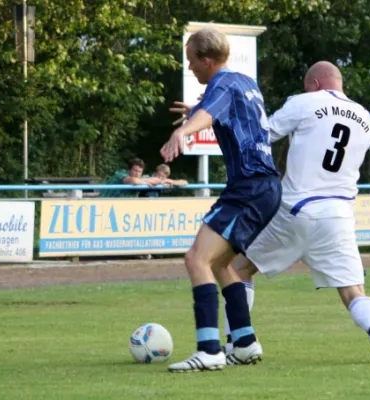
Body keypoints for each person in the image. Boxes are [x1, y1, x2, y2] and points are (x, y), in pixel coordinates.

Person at [220, 61, 370, 362]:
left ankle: (237, 344)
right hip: (338, 217)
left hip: (295, 209)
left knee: (237, 268)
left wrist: (217, 119)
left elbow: (261, 135)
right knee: (353, 290)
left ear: (315, 85)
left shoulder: (304, 102)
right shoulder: (366, 117)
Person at [160, 27, 281, 372]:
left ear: (206, 60)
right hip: (266, 187)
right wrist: (198, 108)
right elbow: (223, 111)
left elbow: (210, 115)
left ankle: (210, 349)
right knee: (220, 264)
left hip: (248, 187)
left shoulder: (222, 85)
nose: (190, 69)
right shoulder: (245, 82)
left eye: (191, 62)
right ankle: (244, 342)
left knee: (196, 259)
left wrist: (183, 130)